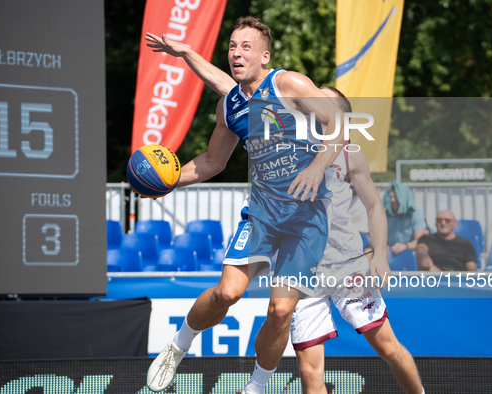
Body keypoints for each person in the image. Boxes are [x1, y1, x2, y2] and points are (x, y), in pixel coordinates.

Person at [145, 30, 425, 394]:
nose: (236, 53)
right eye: (232, 46)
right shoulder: (245, 104)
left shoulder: (297, 95)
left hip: (323, 241)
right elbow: (218, 141)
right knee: (231, 297)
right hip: (265, 216)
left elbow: (349, 150)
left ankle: (257, 385)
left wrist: (379, 251)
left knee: (291, 316)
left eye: (246, 47)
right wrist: (166, 182)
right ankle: (178, 346)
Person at [381, 180, 426, 255]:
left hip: (409, 250)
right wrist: (381, 247)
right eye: (391, 196)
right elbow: (372, 238)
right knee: (368, 252)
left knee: (421, 254)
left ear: (404, 197)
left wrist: (405, 246)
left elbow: (420, 241)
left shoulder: (416, 213)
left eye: (396, 197)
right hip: (386, 252)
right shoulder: (384, 214)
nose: (392, 200)